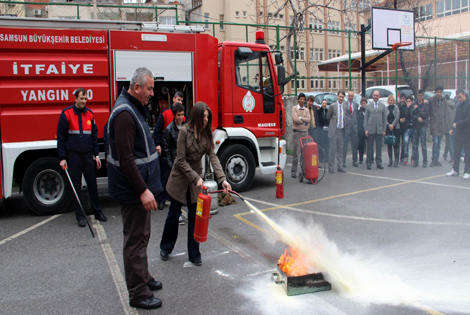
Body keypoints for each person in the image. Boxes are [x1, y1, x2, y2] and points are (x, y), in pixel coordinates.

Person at [106, 67, 163, 310]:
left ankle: (143, 277)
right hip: (134, 191)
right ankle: (138, 293)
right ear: (136, 87)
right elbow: (126, 159)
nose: (152, 93)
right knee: (135, 240)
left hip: (139, 187)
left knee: (143, 235)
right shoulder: (125, 115)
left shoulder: (133, 108)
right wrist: (142, 190)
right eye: (149, 88)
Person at [160, 102, 231, 266]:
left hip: (195, 182)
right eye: (203, 116)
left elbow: (213, 157)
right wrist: (197, 178)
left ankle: (194, 253)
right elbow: (180, 160)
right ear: (196, 116)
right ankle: (166, 247)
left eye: (208, 116)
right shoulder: (184, 131)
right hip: (180, 176)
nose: (206, 119)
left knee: (195, 215)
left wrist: (223, 180)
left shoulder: (207, 135)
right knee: (173, 213)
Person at [57, 88, 107, 227]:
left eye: (85, 99)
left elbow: (94, 136)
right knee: (76, 186)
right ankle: (80, 216)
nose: (84, 101)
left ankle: (98, 212)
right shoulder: (66, 114)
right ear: (75, 98)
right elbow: (61, 138)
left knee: (92, 185)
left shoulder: (90, 114)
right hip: (73, 156)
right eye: (81, 98)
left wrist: (96, 155)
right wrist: (62, 157)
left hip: (87, 155)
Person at [154, 91, 184, 210]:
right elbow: (157, 130)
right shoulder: (165, 114)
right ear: (173, 99)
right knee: (165, 176)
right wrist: (157, 144)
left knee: (181, 178)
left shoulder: (183, 118)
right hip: (167, 152)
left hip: (178, 153)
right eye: (178, 99)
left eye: (181, 100)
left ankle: (181, 199)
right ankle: (162, 199)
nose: (179, 101)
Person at [162, 103, 186, 224]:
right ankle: (178, 214)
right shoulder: (169, 130)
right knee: (176, 192)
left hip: (185, 163)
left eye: (182, 115)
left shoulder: (185, 127)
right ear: (174, 115)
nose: (181, 117)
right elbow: (166, 150)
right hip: (175, 164)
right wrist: (172, 166)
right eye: (178, 115)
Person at [446, 89, 470, 179]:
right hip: (458, 132)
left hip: (467, 132)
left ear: (464, 95)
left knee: (467, 152)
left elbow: (468, 119)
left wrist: (458, 124)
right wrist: (452, 128)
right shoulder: (458, 105)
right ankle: (455, 170)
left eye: (460, 97)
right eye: (457, 97)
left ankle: (467, 171)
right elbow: (456, 117)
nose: (459, 99)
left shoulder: (469, 104)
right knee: (456, 151)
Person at [364, 90, 387, 170]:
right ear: (372, 96)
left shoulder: (383, 106)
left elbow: (384, 119)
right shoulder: (368, 106)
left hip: (379, 129)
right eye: (374, 95)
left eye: (377, 95)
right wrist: (366, 129)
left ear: (379, 96)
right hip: (370, 129)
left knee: (379, 147)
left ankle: (379, 162)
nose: (375, 97)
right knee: (369, 147)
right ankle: (369, 162)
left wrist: (384, 129)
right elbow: (366, 118)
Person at [291, 93, 310, 178]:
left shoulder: (306, 110)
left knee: (304, 153)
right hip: (297, 132)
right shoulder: (294, 108)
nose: (302, 100)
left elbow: (308, 119)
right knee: (296, 153)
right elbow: (295, 119)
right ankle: (293, 171)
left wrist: (301, 118)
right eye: (301, 99)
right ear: (298, 99)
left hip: (305, 133)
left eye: (303, 99)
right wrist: (304, 121)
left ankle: (304, 170)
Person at [327, 90, 346, 173]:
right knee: (332, 149)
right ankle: (331, 167)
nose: (341, 98)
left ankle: (340, 166)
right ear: (337, 96)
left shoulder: (345, 107)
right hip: (334, 130)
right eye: (340, 96)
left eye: (342, 97)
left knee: (340, 149)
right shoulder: (332, 106)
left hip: (341, 130)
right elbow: (328, 117)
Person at [429, 86, 447, 167]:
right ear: (435, 92)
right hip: (434, 123)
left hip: (441, 124)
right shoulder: (432, 100)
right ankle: (433, 159)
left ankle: (437, 160)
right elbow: (429, 111)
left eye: (440, 92)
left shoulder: (444, 101)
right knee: (435, 142)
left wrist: (445, 125)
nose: (439, 93)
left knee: (439, 144)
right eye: (438, 92)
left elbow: (445, 113)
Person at [411, 90, 429, 167]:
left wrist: (418, 110)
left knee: (423, 144)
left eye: (421, 95)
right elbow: (411, 115)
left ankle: (425, 161)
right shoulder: (414, 104)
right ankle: (416, 161)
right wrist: (417, 118)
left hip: (423, 125)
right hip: (415, 125)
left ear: (423, 95)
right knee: (415, 145)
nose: (419, 97)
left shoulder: (426, 104)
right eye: (418, 95)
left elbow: (426, 114)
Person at [342, 91, 359, 167]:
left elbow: (356, 115)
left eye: (352, 96)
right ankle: (343, 161)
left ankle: (355, 161)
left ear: (353, 97)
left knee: (354, 145)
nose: (350, 97)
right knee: (345, 145)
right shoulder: (344, 104)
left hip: (354, 127)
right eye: (349, 96)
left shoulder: (356, 104)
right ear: (347, 96)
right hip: (346, 127)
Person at [385, 95, 401, 167]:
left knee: (396, 144)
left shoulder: (396, 108)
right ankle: (390, 160)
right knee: (389, 144)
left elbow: (397, 117)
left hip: (396, 128)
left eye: (392, 100)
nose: (390, 101)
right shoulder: (386, 108)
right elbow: (384, 118)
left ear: (394, 101)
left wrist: (393, 125)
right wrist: (388, 125)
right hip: (388, 128)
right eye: (389, 100)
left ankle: (396, 160)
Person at [316, 99, 330, 166]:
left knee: (327, 144)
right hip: (321, 130)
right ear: (321, 104)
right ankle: (321, 158)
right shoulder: (319, 111)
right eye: (323, 103)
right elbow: (318, 121)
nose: (324, 104)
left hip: (327, 130)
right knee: (321, 144)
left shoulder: (328, 111)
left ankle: (326, 158)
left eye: (325, 103)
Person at [443, 94, 456, 164]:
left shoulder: (445, 105)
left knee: (449, 140)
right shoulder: (453, 104)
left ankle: (453, 157)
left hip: (447, 125)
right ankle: (445, 154)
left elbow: (444, 116)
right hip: (453, 124)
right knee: (448, 140)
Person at [401, 96, 414, 165]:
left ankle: (413, 158)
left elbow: (413, 116)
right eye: (407, 101)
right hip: (407, 128)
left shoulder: (414, 108)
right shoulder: (406, 109)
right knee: (405, 142)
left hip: (414, 128)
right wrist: (408, 108)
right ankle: (405, 156)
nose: (408, 103)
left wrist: (411, 108)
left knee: (414, 143)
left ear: (412, 101)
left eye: (409, 101)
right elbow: (406, 115)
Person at [356, 97, 367, 164]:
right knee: (361, 145)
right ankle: (361, 158)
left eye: (364, 103)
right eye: (362, 103)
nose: (363, 105)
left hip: (368, 129)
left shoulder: (368, 111)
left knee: (369, 145)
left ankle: (370, 158)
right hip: (361, 130)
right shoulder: (359, 111)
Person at [397, 94, 407, 164]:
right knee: (397, 142)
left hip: (405, 127)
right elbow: (396, 115)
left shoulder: (407, 106)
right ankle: (396, 157)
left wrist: (405, 119)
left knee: (404, 143)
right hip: (398, 126)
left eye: (404, 98)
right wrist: (399, 119)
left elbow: (409, 115)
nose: (402, 100)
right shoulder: (397, 106)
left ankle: (402, 157)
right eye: (401, 98)